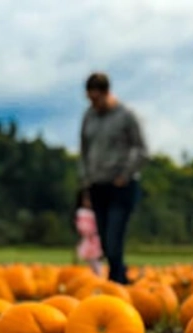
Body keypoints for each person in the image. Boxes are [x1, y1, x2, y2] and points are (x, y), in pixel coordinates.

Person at [78, 72, 148, 284]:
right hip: (97, 185)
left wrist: (125, 174)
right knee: (106, 244)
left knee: (113, 238)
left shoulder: (126, 116)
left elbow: (142, 150)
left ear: (107, 93)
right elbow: (84, 151)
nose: (94, 104)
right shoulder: (89, 117)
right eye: (90, 99)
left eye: (97, 99)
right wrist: (85, 183)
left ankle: (117, 283)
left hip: (121, 186)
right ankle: (120, 278)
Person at [73, 190, 104, 276]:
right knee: (85, 258)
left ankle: (97, 274)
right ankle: (89, 275)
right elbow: (81, 227)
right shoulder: (82, 213)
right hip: (87, 239)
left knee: (95, 259)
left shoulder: (96, 213)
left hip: (95, 240)